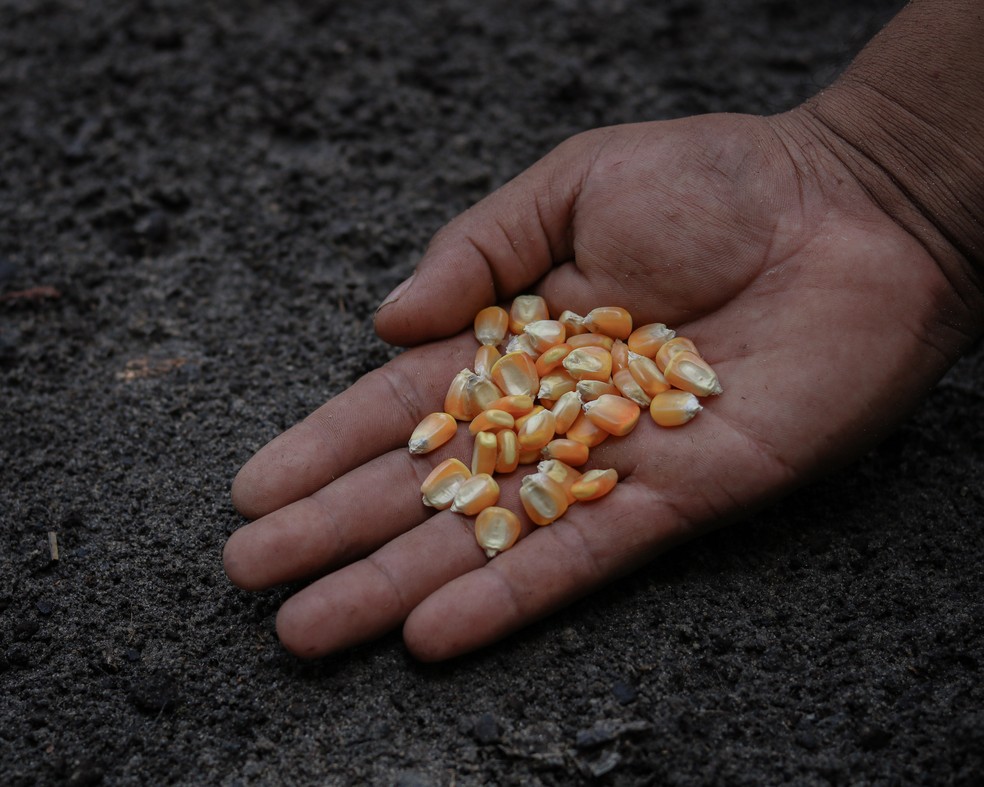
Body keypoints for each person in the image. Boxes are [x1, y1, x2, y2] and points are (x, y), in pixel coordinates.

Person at [222, 0, 983, 662]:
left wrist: (899, 175)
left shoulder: (595, 376)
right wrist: (890, 162)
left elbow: (563, 391)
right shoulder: (549, 387)